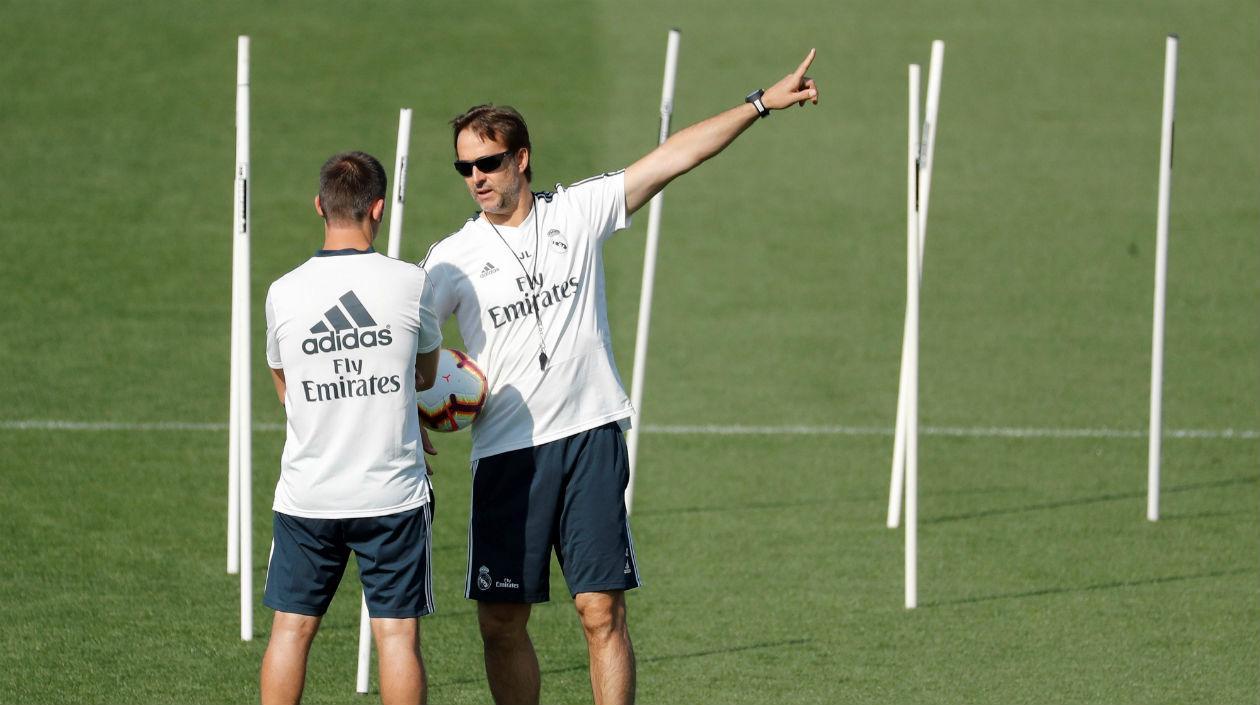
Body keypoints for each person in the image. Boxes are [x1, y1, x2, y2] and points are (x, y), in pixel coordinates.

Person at [420, 50, 819, 705]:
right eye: (464, 167)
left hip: (590, 437)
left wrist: (758, 103)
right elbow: (409, 343)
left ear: (521, 158)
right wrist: (411, 411)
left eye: (488, 162)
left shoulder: (577, 212)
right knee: (500, 621)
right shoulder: (449, 261)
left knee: (600, 610)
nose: (476, 178)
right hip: (507, 456)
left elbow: (674, 156)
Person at [260, 151, 443, 705]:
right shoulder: (411, 283)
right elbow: (426, 374)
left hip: (308, 495)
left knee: (291, 630)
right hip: (391, 495)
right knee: (397, 636)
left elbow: (283, 381)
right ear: (379, 209)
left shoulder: (282, 292)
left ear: (320, 206)